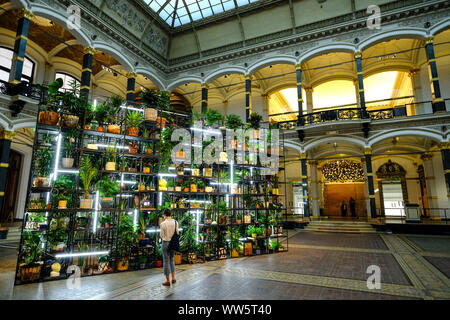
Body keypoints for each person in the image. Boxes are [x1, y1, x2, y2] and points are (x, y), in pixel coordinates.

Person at [160, 209, 178, 286]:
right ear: (170, 214)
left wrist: (166, 237)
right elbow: (177, 232)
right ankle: (173, 278)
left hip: (166, 243)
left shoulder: (163, 224)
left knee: (166, 261)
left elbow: (162, 235)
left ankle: (167, 281)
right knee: (172, 259)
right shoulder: (175, 222)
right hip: (173, 243)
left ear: (164, 215)